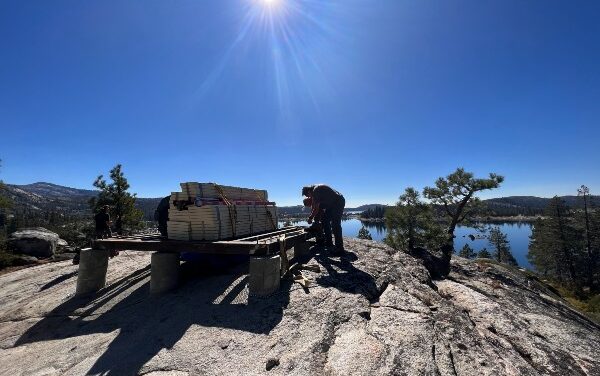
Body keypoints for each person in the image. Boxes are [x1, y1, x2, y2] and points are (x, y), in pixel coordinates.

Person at [302, 184, 345, 253]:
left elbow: (316, 209)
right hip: (331, 205)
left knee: (335, 224)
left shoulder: (316, 190)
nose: (308, 197)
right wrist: (315, 221)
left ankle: (339, 248)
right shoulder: (315, 192)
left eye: (307, 195)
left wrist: (310, 218)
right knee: (325, 220)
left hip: (338, 202)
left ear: (309, 191)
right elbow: (315, 208)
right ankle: (329, 242)